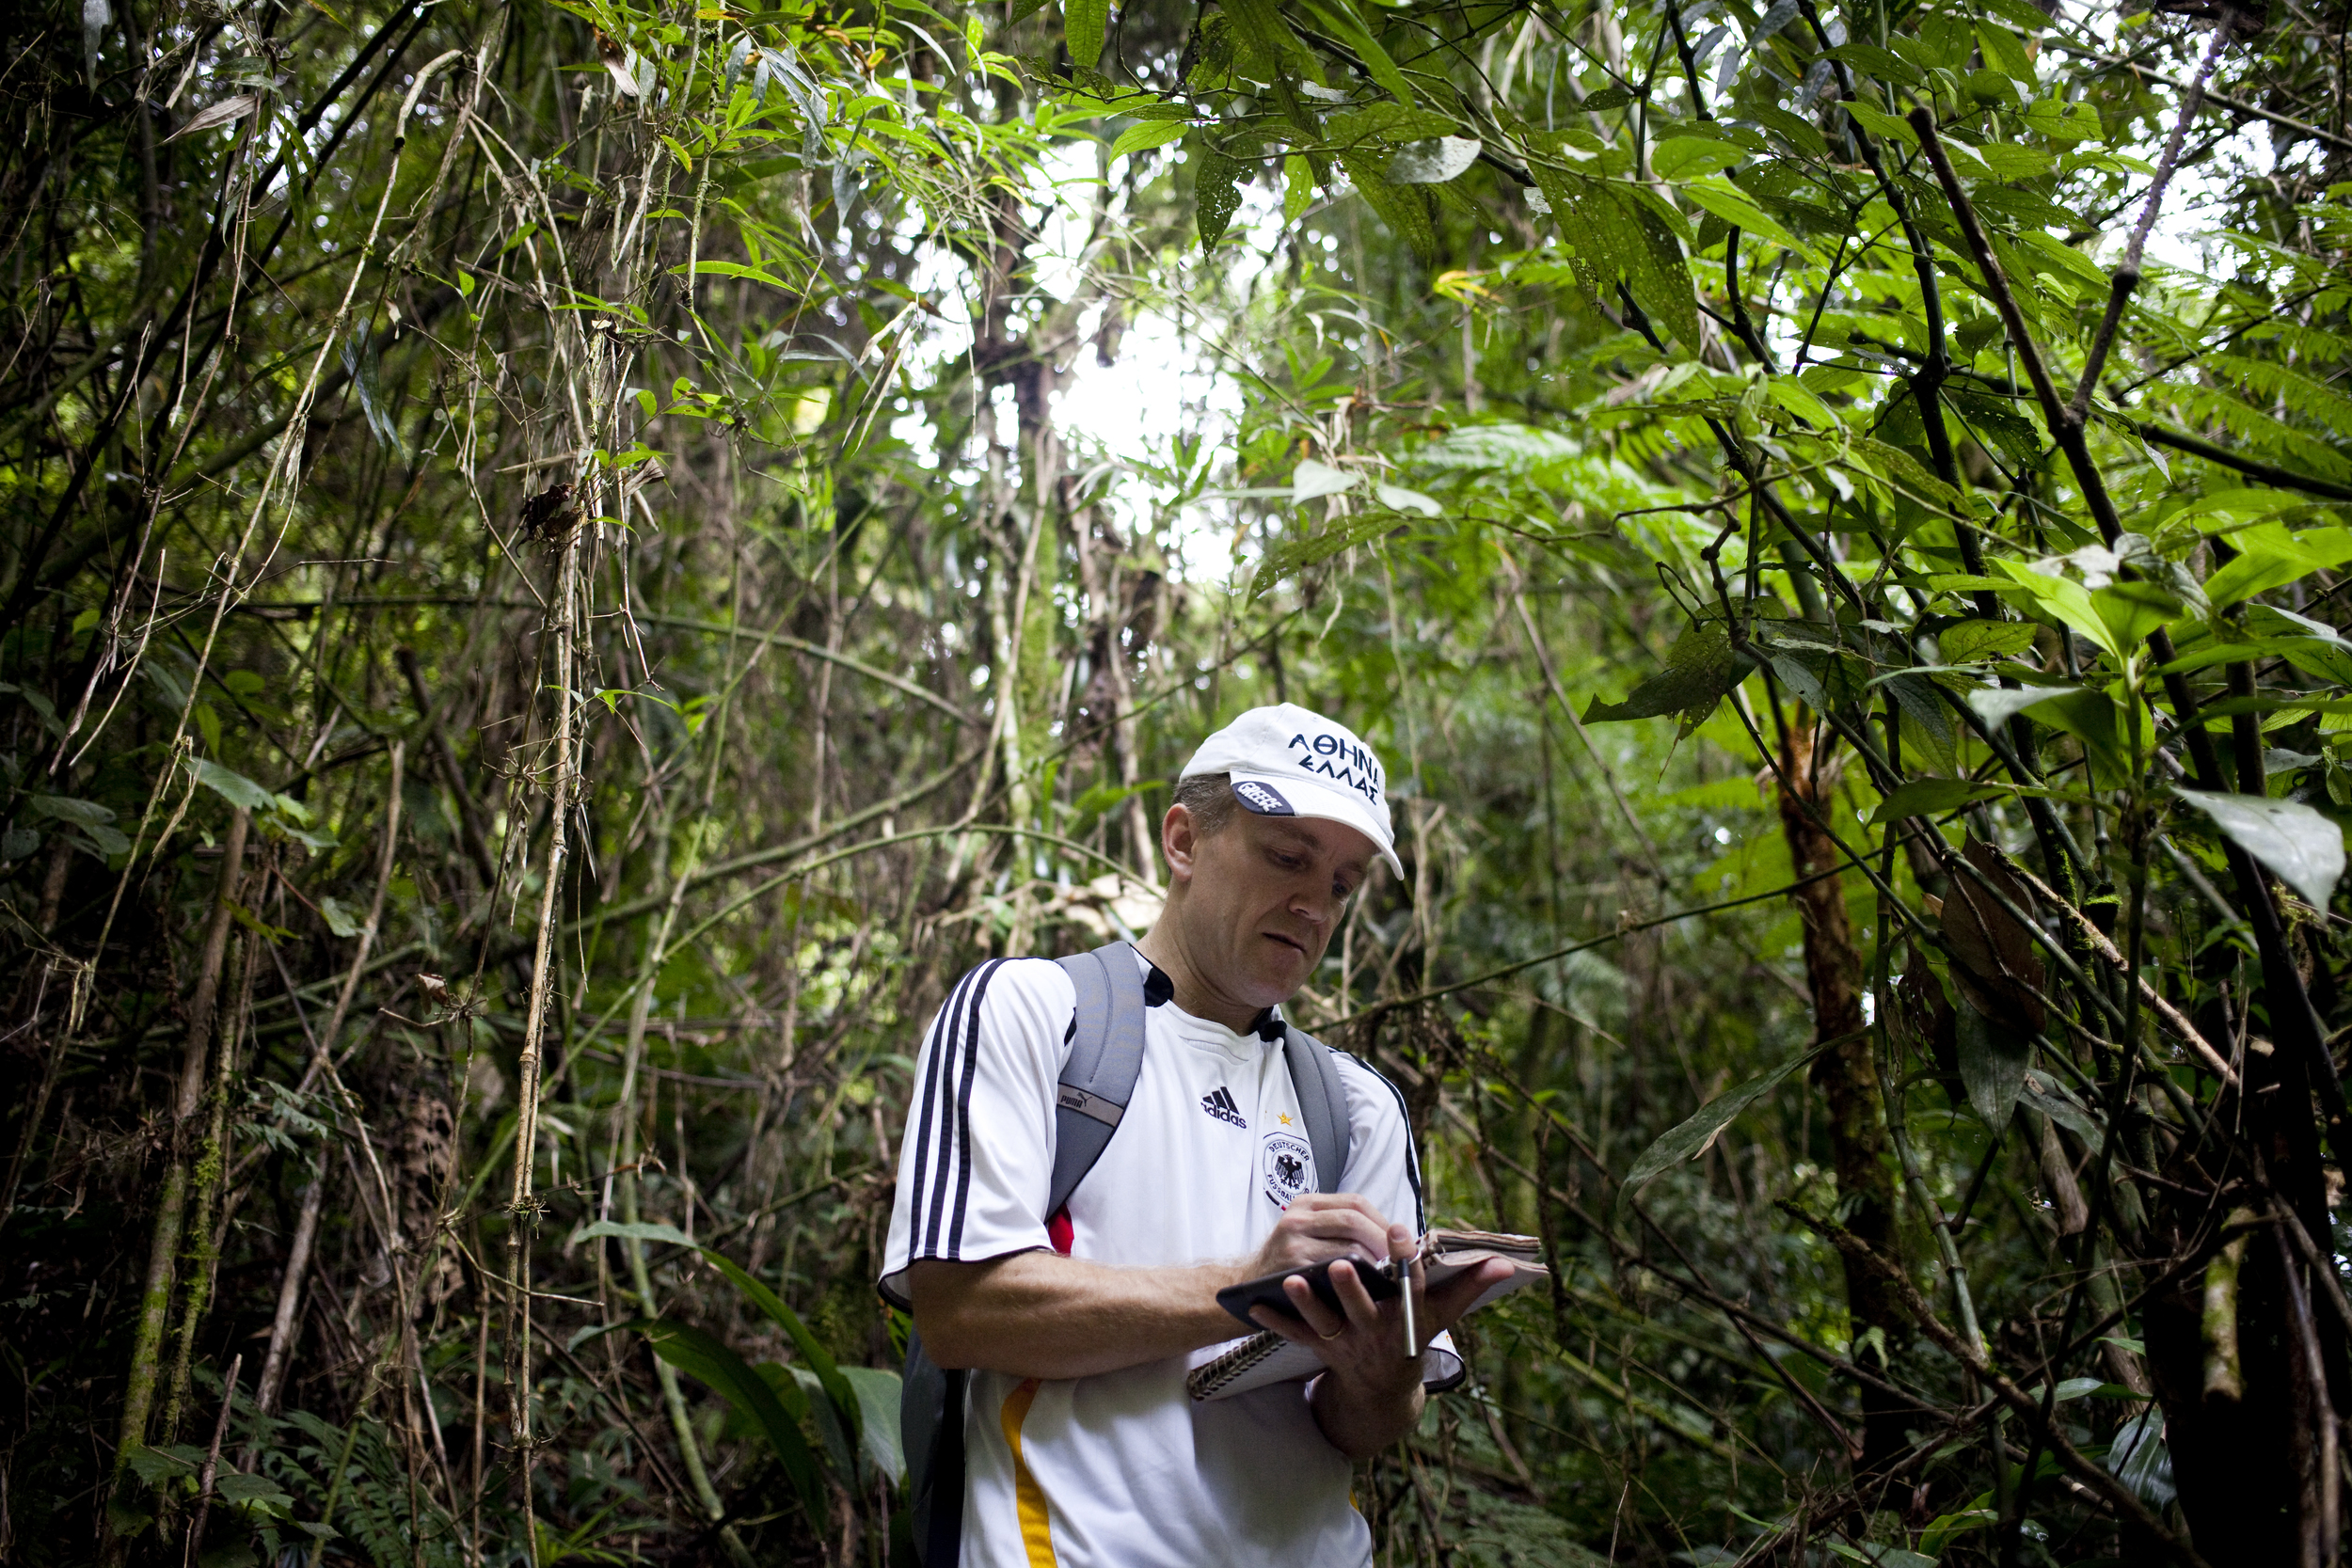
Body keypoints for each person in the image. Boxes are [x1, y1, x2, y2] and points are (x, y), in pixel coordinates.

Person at [879, 704, 1511, 1566]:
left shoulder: (1356, 1104)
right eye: (1287, 857)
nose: (1313, 905)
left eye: (1341, 883)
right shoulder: (1034, 1013)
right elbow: (960, 1310)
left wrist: (1385, 1364)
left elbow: (1364, 1427)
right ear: (1183, 841)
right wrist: (1248, 1286)